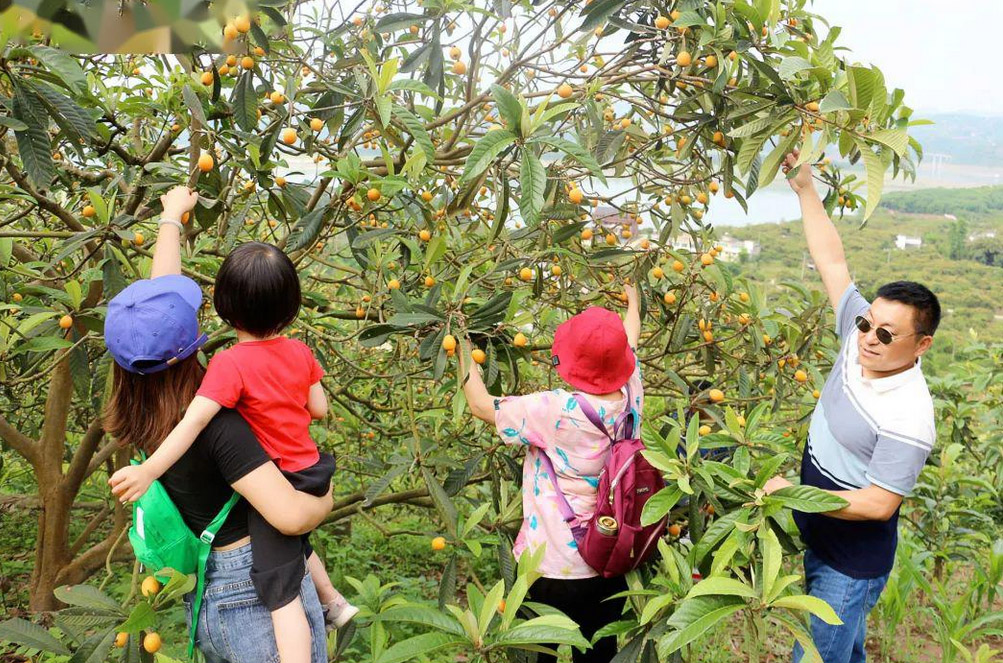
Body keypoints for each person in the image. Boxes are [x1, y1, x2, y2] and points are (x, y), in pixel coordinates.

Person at [102, 185, 333, 662]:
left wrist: (171, 217)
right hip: (254, 600)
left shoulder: (146, 410)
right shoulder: (220, 425)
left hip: (210, 597)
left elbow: (157, 309)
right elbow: (289, 516)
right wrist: (324, 493)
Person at [763, 152, 939, 663]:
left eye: (887, 333)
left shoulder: (909, 413)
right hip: (821, 542)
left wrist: (794, 494)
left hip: (849, 564)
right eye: (867, 324)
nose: (869, 337)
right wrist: (804, 189)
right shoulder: (857, 335)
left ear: (921, 345)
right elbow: (833, 261)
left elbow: (880, 504)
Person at [457, 285, 644, 663]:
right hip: (610, 560)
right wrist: (635, 303)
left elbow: (479, 404)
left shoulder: (555, 410)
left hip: (551, 566)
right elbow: (631, 343)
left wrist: (460, 344)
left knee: (537, 653)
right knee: (599, 653)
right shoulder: (632, 393)